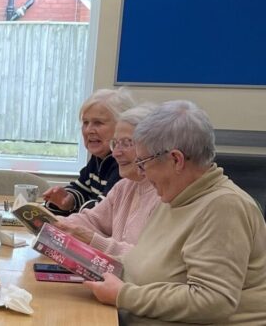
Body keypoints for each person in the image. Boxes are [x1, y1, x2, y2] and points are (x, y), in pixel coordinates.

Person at [84, 100, 266, 324]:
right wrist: (89, 261)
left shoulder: (225, 206)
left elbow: (212, 301)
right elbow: (140, 262)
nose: (143, 174)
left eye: (143, 163)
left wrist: (123, 295)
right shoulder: (174, 197)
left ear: (176, 160)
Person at [52, 104, 160, 258]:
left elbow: (147, 261)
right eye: (115, 143)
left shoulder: (164, 195)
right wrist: (52, 222)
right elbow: (92, 220)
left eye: (127, 143)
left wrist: (93, 240)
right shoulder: (124, 186)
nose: (116, 153)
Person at [44, 88, 135, 215]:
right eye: (85, 123)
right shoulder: (98, 159)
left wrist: (74, 207)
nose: (88, 130)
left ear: (122, 127)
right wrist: (68, 200)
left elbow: (102, 211)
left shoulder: (122, 163)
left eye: (98, 123)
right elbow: (80, 189)